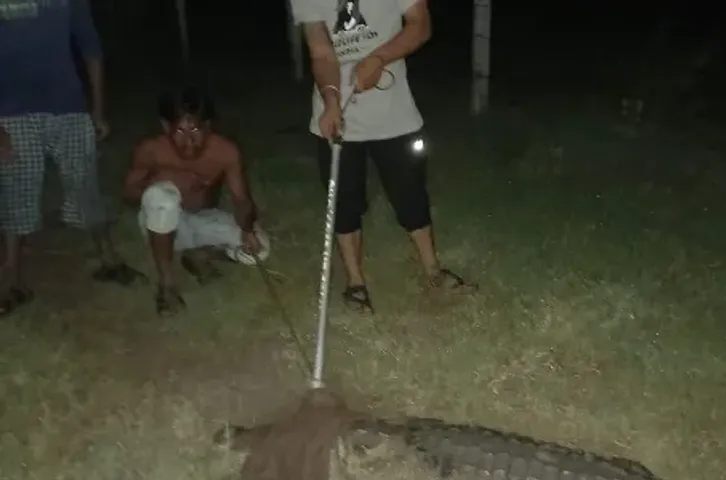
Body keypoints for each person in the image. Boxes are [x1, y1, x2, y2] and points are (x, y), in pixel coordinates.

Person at [290, 0, 477, 314]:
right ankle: (355, 281)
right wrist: (331, 100)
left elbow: (420, 24)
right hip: (337, 112)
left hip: (394, 112)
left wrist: (379, 58)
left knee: (410, 193)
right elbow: (321, 53)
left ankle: (433, 271)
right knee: (344, 201)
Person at [0, 0, 144, 316]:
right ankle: (12, 278)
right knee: (17, 190)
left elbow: (91, 48)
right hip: (10, 112)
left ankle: (109, 259)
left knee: (84, 184)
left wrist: (98, 110)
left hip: (69, 105)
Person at [122, 87, 269, 316]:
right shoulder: (150, 149)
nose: (188, 139)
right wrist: (163, 182)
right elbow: (129, 194)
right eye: (180, 130)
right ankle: (167, 286)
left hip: (199, 220)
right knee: (163, 197)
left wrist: (247, 229)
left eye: (196, 129)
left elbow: (241, 199)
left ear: (208, 126)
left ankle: (199, 255)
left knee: (260, 249)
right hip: (160, 224)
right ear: (165, 126)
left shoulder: (225, 151)